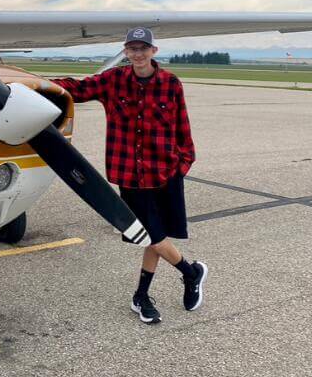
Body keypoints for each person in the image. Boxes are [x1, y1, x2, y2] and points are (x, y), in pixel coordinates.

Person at [51, 27, 207, 324]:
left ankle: (142, 296)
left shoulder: (170, 83)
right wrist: (31, 84)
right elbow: (77, 88)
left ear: (153, 51)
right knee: (153, 236)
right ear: (125, 51)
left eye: (143, 48)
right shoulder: (113, 80)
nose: (138, 53)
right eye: (132, 48)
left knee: (154, 238)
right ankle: (190, 273)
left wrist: (182, 165)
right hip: (130, 175)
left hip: (164, 173)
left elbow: (182, 127)